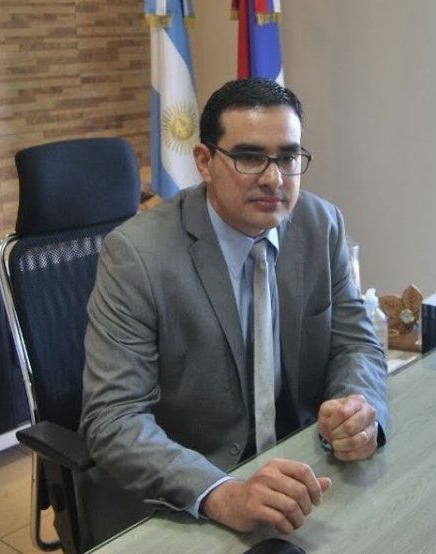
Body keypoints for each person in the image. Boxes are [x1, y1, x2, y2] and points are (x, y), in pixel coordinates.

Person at [80, 77, 388, 535]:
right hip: (193, 488)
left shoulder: (321, 224)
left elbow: (356, 344)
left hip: (301, 467)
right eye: (249, 157)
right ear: (204, 162)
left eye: (288, 157)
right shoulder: (136, 255)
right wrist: (222, 492)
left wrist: (357, 409)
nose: (273, 178)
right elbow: (113, 419)